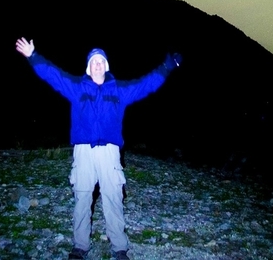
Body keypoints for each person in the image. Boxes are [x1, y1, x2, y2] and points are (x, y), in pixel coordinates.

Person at [15, 37, 180, 260]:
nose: (98, 64)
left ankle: (119, 248)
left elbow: (146, 84)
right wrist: (33, 57)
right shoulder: (76, 88)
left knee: (113, 197)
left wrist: (166, 67)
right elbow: (53, 75)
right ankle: (80, 246)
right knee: (82, 197)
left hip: (110, 152)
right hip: (83, 152)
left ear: (106, 66)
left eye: (101, 61)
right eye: (94, 62)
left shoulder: (119, 90)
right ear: (88, 67)